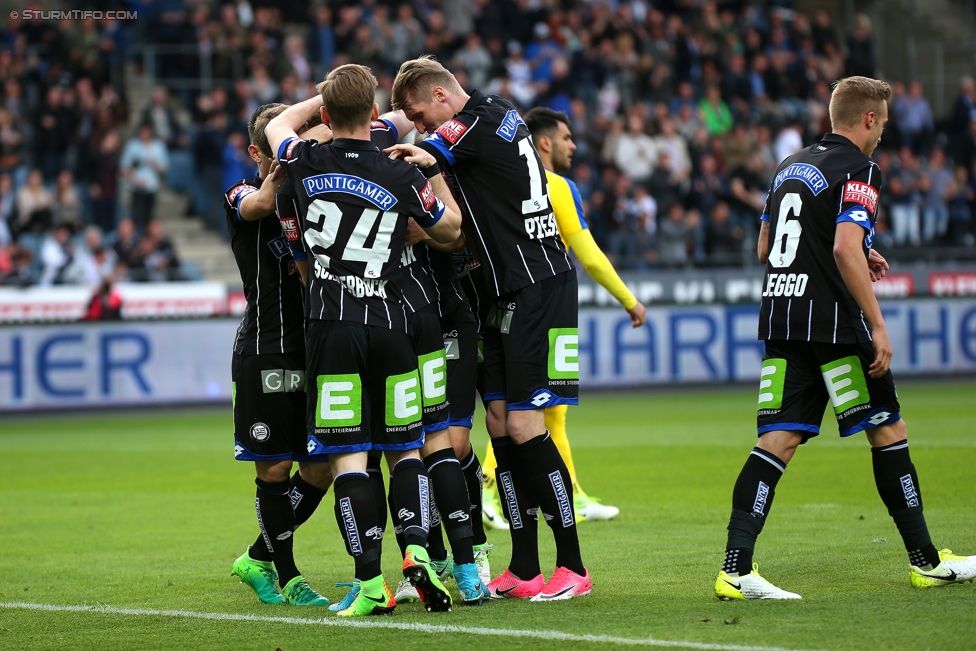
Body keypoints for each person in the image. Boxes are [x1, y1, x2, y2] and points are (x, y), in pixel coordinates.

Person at [714, 76, 976, 601]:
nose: (883, 132)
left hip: (784, 320)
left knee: (777, 441)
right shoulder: (862, 168)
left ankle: (735, 569)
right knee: (887, 429)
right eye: (883, 122)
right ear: (870, 119)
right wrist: (877, 322)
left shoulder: (790, 165)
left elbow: (768, 245)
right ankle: (925, 561)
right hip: (833, 326)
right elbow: (842, 248)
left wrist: (852, 252)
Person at [390, 55, 591, 601]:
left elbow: (421, 150)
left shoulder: (477, 118)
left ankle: (572, 564)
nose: (424, 125)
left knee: (525, 425)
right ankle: (524, 566)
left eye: (420, 114)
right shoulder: (489, 119)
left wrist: (388, 155)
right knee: (500, 424)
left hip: (537, 285)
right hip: (501, 291)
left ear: (439, 94)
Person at [266, 64, 464, 616]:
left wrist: (318, 99)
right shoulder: (400, 173)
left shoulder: (304, 160)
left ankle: (368, 585)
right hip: (394, 325)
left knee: (350, 458)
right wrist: (425, 192)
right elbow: (449, 230)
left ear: (326, 116)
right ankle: (418, 551)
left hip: (333, 327)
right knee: (405, 449)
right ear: (375, 115)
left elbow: (281, 121)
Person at [479, 107, 646, 524]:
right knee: (531, 405)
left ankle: (570, 492)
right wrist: (628, 299)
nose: (574, 145)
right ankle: (486, 484)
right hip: (544, 305)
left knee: (541, 410)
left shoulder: (499, 183)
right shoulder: (557, 186)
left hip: (503, 300)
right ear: (546, 142)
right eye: (568, 137)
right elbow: (587, 254)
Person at [225, 103, 333, 608]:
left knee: (322, 469)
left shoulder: (314, 195)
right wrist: (319, 101)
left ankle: (255, 555)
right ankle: (288, 576)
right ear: (256, 151)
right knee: (274, 469)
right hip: (266, 349)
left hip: (314, 348)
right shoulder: (241, 191)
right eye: (282, 141)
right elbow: (262, 202)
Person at [120, 123, 168, 231]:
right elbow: (124, 168)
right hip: (136, 187)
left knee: (149, 216)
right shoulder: (132, 146)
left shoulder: (158, 146)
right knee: (136, 216)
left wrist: (153, 163)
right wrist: (136, 181)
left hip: (152, 187)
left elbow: (164, 168)